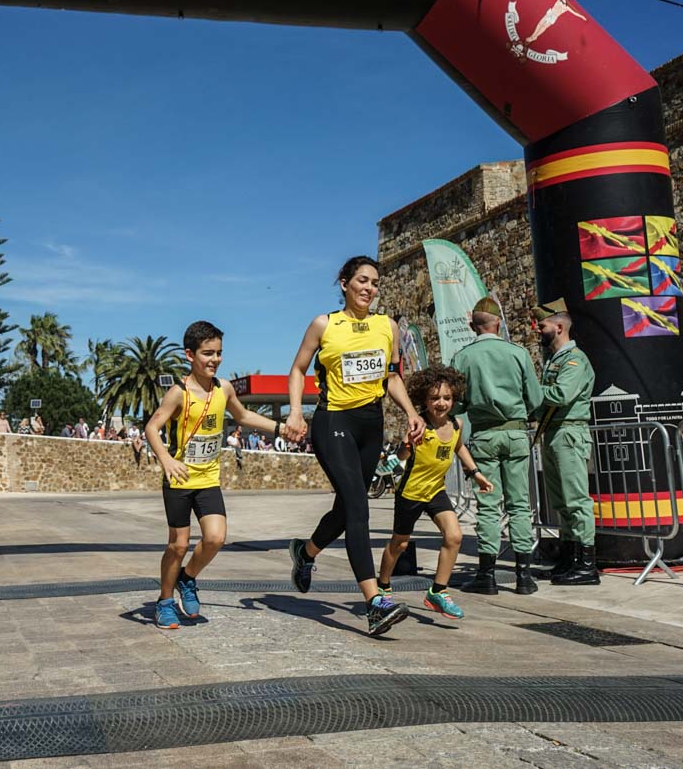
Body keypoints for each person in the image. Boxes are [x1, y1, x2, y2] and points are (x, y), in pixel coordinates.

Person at [283, 256, 425, 637]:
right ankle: (375, 603)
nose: (369, 288)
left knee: (347, 508)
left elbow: (392, 377)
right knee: (359, 508)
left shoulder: (387, 326)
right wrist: (295, 412)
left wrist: (412, 412)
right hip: (333, 421)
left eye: (375, 283)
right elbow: (297, 369)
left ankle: (306, 552)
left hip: (370, 424)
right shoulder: (324, 324)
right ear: (344, 283)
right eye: (362, 280)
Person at [144, 320, 284, 629]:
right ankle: (164, 601)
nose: (215, 359)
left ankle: (187, 577)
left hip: (208, 479)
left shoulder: (224, 388)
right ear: (190, 355)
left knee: (216, 538)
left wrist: (280, 428)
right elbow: (152, 427)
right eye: (208, 353)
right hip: (180, 480)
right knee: (178, 545)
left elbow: (243, 415)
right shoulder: (179, 393)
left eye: (219, 353)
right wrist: (166, 460)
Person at [377, 366, 493, 619]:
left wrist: (476, 473)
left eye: (447, 398)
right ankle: (382, 586)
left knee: (454, 536)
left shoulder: (457, 424)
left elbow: (459, 447)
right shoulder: (419, 425)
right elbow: (402, 456)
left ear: (454, 398)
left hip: (436, 491)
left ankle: (438, 592)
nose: (441, 403)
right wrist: (407, 445)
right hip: (411, 492)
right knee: (400, 544)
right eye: (434, 398)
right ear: (424, 399)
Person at [451, 296, 544, 596]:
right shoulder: (518, 353)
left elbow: (457, 404)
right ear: (499, 324)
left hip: (484, 435)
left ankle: (487, 576)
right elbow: (536, 399)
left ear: (472, 326)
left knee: (488, 506)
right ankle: (524, 576)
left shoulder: (462, 358)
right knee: (519, 505)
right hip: (515, 434)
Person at [534, 298, 599, 585]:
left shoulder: (575, 360)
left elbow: (561, 395)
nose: (538, 330)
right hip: (554, 432)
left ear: (559, 327)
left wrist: (530, 389)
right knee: (561, 501)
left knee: (576, 500)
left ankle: (587, 564)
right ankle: (569, 559)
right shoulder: (555, 360)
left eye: (542, 326)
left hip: (569, 433)